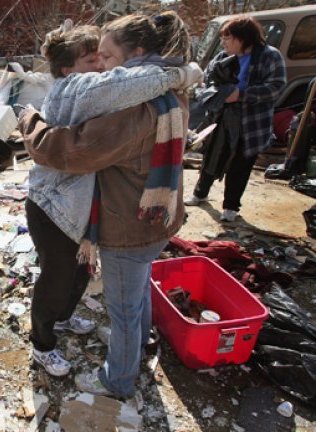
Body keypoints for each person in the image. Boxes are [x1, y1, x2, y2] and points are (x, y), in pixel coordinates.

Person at [20, 12, 192, 398]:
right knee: (138, 292)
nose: (104, 71)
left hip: (129, 226)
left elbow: (69, 151)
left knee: (124, 311)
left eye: (108, 58)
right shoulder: (172, 94)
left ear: (137, 56)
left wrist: (29, 122)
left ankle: (118, 380)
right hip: (157, 218)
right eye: (94, 59)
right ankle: (142, 348)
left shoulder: (133, 110)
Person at [185, 16, 286, 222]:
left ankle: (231, 206)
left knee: (241, 162)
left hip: (251, 123)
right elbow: (205, 82)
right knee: (212, 155)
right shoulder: (222, 57)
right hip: (221, 118)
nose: (224, 43)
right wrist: (214, 95)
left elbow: (276, 86)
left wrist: (241, 95)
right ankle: (200, 193)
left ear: (243, 38)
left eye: (228, 38)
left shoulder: (269, 56)